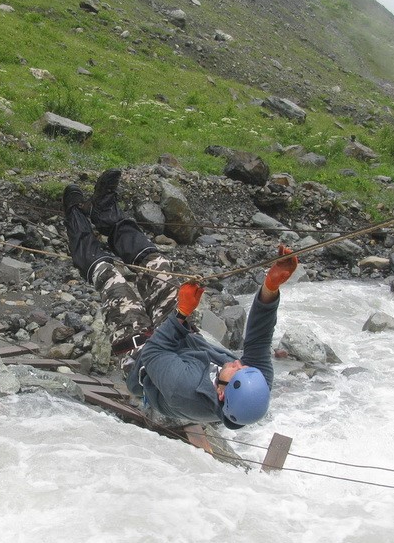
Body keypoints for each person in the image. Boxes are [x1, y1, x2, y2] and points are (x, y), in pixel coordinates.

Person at [62, 168, 299, 429]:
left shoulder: (184, 392)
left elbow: (154, 352)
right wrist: (270, 287)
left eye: (235, 370)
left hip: (143, 358)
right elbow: (259, 337)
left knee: (112, 281)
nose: (237, 361)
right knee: (159, 266)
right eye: (243, 366)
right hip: (182, 343)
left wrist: (183, 314)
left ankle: (74, 217)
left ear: (221, 393)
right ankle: (107, 215)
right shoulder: (253, 382)